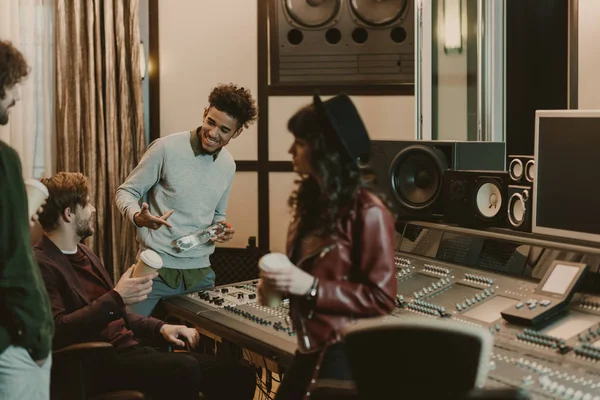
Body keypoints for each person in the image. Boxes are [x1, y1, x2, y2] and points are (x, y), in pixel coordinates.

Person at [35, 172, 257, 400]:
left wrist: (161, 327)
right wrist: (117, 296)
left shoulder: (84, 252)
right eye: (87, 204)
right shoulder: (41, 264)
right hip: (101, 363)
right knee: (185, 368)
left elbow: (117, 313)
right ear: (69, 214)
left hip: (130, 350)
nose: (93, 209)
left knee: (238, 374)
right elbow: (58, 330)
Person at [258, 94, 398, 400]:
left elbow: (382, 297)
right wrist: (277, 286)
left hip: (344, 351)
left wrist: (311, 287)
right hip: (311, 346)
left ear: (323, 151)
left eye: (300, 142)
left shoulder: (370, 212)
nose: (290, 150)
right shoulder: (310, 206)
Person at [116, 83, 258, 316]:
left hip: (201, 274)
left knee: (200, 346)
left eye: (224, 129)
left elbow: (217, 216)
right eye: (211, 122)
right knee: (128, 337)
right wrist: (137, 217)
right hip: (153, 269)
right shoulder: (165, 148)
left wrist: (221, 229)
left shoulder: (228, 165)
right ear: (205, 112)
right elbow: (125, 192)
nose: (213, 133)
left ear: (237, 132)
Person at [0, 39, 54, 399]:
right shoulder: (4, 159)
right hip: (11, 341)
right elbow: (13, 261)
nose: (16, 97)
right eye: (11, 85)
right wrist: (37, 336)